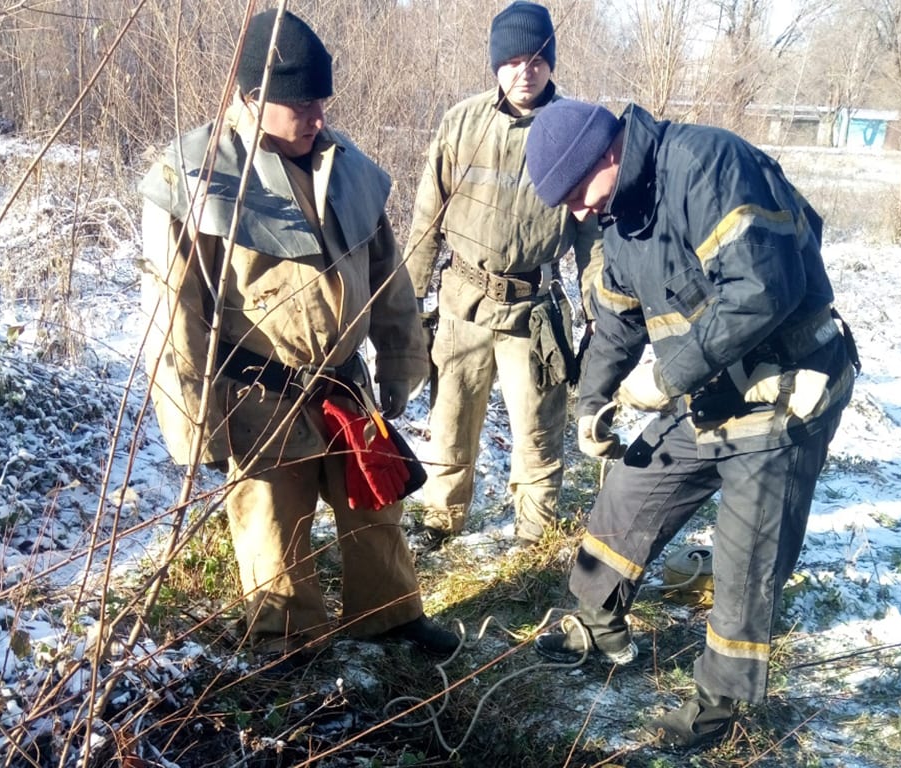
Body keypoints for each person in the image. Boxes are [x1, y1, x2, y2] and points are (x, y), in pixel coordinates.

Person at [523, 99, 860, 748]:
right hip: (711, 388)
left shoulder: (708, 163)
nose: (576, 212)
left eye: (574, 194)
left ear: (608, 153)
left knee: (745, 554)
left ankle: (716, 706)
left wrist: (668, 376)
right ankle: (596, 620)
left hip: (787, 388)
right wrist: (592, 403)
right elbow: (617, 324)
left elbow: (763, 286)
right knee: (629, 490)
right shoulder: (619, 217)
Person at [139, 9, 458, 664]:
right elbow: (174, 312)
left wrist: (401, 364)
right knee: (272, 528)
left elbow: (387, 281)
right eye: (298, 103)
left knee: (374, 506)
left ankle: (389, 617)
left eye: (320, 100)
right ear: (249, 99)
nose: (315, 115)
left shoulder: (349, 169)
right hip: (257, 391)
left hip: (345, 381)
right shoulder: (195, 176)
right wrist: (195, 423)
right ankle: (287, 642)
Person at [404, 1, 603, 552]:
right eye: (514, 59)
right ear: (495, 64)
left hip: (531, 308)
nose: (526, 70)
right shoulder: (462, 123)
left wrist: (598, 315)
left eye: (538, 59)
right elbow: (427, 221)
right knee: (449, 421)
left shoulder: (576, 130)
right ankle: (441, 522)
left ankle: (533, 534)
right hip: (462, 302)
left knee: (539, 430)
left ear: (551, 63)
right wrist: (407, 304)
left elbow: (591, 238)